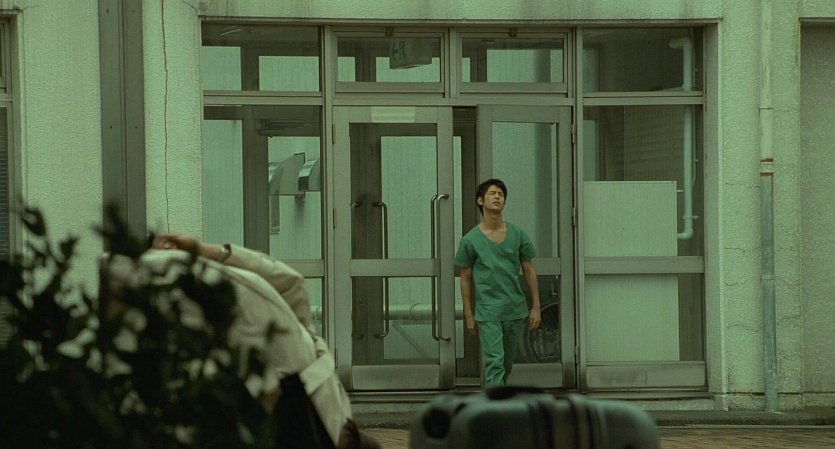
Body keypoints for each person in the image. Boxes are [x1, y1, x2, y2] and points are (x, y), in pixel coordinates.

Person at [110, 232, 380, 449]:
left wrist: (211, 252)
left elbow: (291, 284)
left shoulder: (323, 387)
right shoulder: (321, 403)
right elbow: (292, 284)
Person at [454, 179, 541, 386]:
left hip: (514, 308)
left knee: (506, 364)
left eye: (501, 194)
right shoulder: (470, 240)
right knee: (495, 361)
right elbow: (465, 278)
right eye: (492, 193)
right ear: (480, 200)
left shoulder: (517, 234)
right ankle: (496, 403)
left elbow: (529, 270)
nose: (497, 197)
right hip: (488, 311)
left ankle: (495, 396)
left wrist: (536, 306)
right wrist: (468, 314)